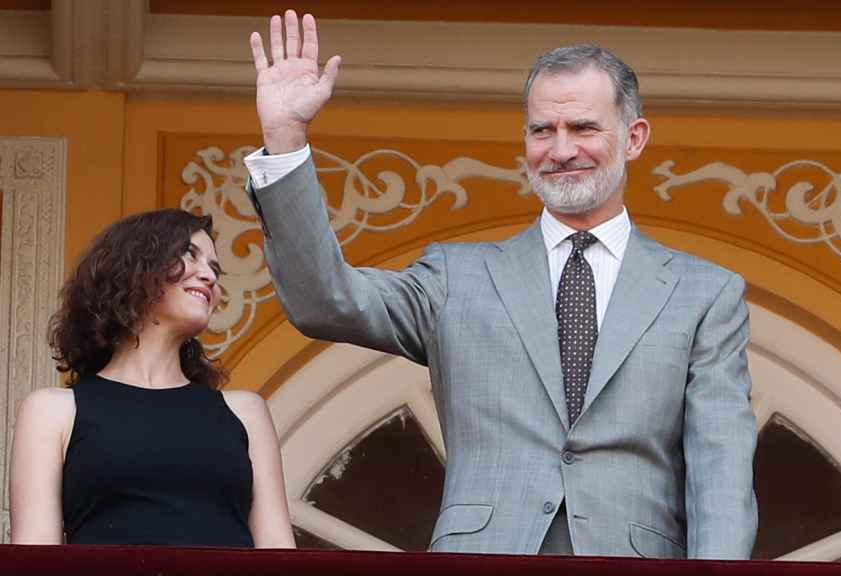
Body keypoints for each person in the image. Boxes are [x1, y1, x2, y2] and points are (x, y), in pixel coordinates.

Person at [244, 10, 756, 559]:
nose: (560, 151)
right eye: (542, 130)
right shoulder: (455, 277)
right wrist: (285, 136)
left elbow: (720, 473)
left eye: (583, 127)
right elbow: (325, 301)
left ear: (633, 138)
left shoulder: (705, 293)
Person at [9, 209, 295, 548]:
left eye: (215, 269)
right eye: (190, 256)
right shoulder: (51, 412)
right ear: (135, 267)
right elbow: (35, 561)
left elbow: (278, 557)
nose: (209, 277)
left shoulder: (246, 413)